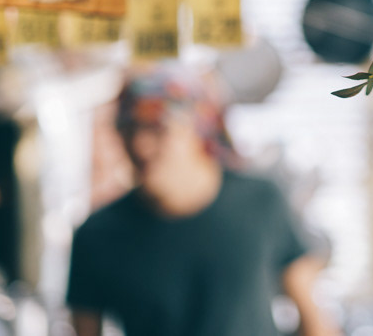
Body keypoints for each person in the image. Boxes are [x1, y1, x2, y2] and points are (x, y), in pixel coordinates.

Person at [66, 65, 340, 336]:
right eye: (128, 129)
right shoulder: (97, 234)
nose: (141, 145)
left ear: (198, 129)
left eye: (158, 129)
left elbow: (315, 322)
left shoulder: (260, 202)